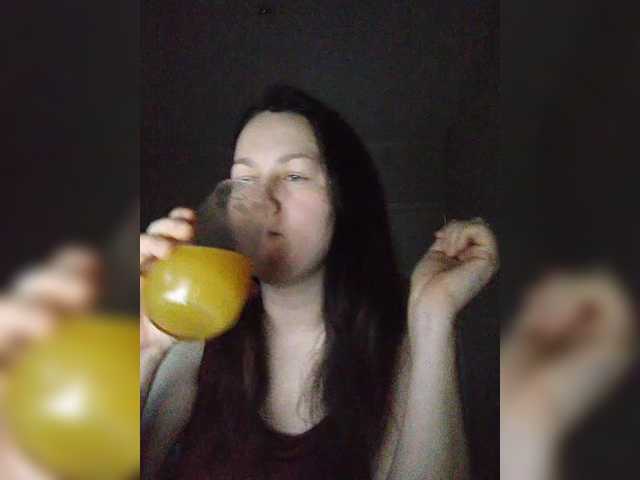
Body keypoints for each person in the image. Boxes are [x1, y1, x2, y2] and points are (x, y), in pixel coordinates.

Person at [140, 85, 500, 479]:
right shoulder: (197, 334)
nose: (264, 201)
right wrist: (146, 352)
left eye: (294, 175)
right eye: (244, 180)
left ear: (344, 199)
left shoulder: (400, 343)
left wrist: (433, 318)